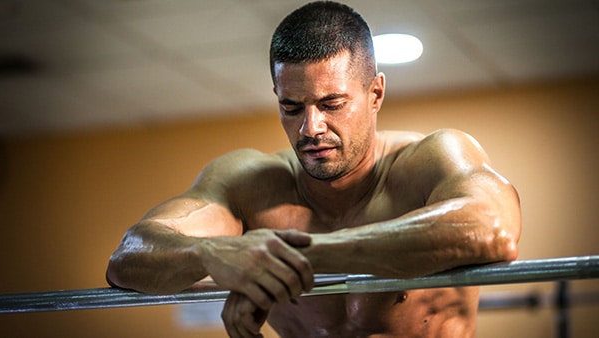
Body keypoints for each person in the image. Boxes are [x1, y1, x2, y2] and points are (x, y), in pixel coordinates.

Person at [106, 2, 521, 337]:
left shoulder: (431, 159)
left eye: (331, 105)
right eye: (291, 107)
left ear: (375, 93)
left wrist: (290, 259)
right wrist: (210, 253)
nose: (310, 128)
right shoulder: (250, 184)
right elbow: (128, 258)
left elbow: (492, 228)